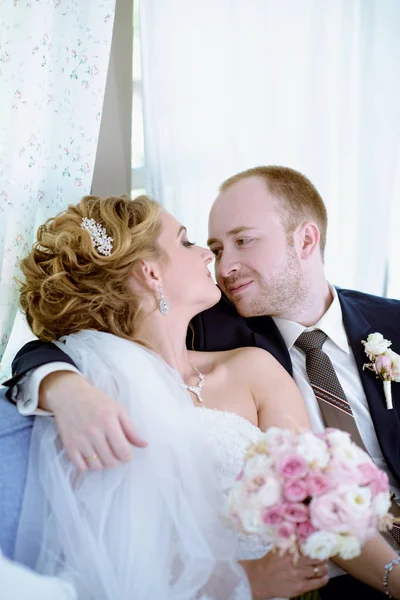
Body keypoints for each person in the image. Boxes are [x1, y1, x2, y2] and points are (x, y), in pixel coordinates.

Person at [5, 168, 400, 597]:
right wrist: (62, 386)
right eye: (195, 243)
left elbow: (313, 493)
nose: (218, 261)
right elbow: (113, 550)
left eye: (243, 241)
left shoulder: (253, 365)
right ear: (151, 274)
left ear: (306, 240)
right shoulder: (100, 382)